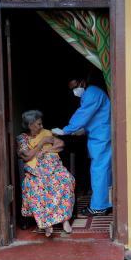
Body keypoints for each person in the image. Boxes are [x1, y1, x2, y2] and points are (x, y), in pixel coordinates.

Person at [52, 76, 112, 216]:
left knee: (99, 172)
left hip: (101, 137)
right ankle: (107, 202)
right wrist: (83, 130)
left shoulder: (92, 93)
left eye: (75, 87)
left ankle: (99, 207)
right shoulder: (91, 93)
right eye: (71, 89)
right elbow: (96, 116)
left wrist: (67, 129)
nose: (74, 91)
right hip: (99, 136)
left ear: (82, 82)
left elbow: (83, 113)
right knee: (105, 171)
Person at [16, 110, 75, 237]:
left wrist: (47, 149)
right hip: (36, 169)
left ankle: (65, 220)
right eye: (38, 124)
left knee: (65, 179)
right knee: (36, 186)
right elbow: (27, 156)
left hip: (53, 166)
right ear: (30, 125)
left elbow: (61, 144)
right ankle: (46, 223)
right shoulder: (23, 138)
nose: (41, 126)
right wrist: (42, 143)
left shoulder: (46, 132)